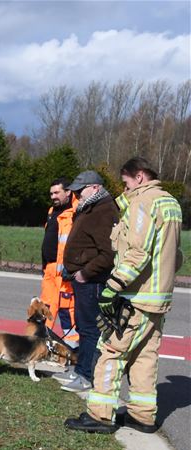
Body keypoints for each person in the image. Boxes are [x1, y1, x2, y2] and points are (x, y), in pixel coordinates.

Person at [65, 157, 183, 433]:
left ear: (139, 176)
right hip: (158, 297)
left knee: (112, 352)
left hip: (136, 296)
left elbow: (137, 252)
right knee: (144, 356)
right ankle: (142, 416)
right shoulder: (171, 204)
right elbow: (175, 257)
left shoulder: (144, 203)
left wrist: (113, 286)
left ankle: (100, 415)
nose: (125, 188)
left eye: (127, 181)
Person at [53, 170, 117, 393]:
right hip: (82, 279)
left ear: (95, 188)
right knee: (83, 326)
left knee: (90, 329)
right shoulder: (89, 207)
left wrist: (86, 273)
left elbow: (108, 253)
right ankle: (81, 369)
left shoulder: (104, 210)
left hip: (91, 281)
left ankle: (85, 375)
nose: (77, 194)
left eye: (81, 190)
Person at [39, 178, 78, 346]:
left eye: (57, 193)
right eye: (51, 193)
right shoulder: (52, 210)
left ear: (68, 192)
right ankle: (42, 344)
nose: (53, 196)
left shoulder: (76, 211)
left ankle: (73, 349)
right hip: (50, 269)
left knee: (65, 309)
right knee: (45, 308)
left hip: (64, 271)